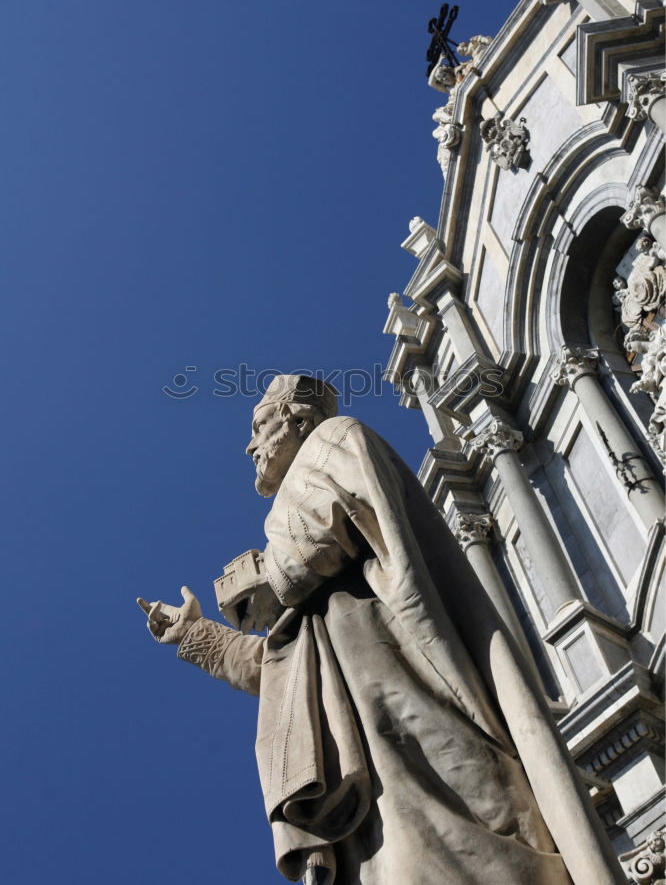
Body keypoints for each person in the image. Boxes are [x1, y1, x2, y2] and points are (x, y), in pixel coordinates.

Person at [137, 374, 624, 885]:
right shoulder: (320, 593)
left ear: (299, 419)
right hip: (368, 747)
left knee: (467, 843)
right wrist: (196, 637)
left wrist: (262, 575)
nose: (250, 443)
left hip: (412, 703)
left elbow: (308, 553)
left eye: (261, 425)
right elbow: (284, 670)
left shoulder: (335, 439)